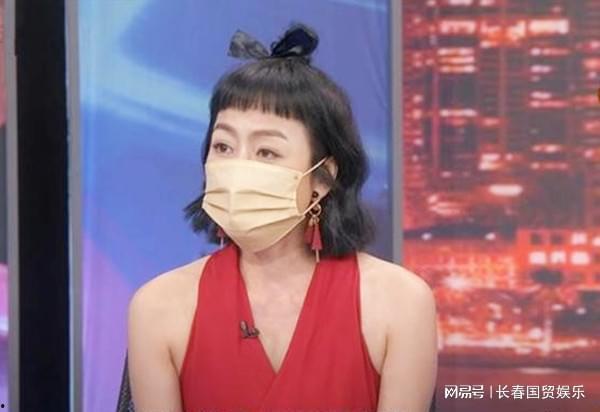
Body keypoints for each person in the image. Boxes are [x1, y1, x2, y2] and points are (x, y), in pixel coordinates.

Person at [127, 23, 438, 412]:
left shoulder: (400, 303)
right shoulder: (157, 306)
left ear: (321, 179)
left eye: (266, 152)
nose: (237, 168)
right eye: (223, 146)